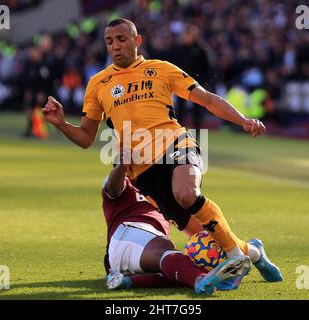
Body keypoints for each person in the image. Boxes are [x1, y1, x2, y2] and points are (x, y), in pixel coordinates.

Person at [42, 18, 281, 287]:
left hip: (175, 144)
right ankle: (255, 252)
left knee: (187, 194)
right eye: (110, 41)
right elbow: (86, 137)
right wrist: (62, 124)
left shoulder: (161, 70)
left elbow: (208, 99)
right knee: (201, 234)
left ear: (137, 40)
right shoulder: (98, 83)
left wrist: (244, 121)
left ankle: (235, 257)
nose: (115, 46)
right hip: (143, 171)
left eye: (122, 39)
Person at [101, 153, 251, 294]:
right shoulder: (125, 186)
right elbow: (113, 187)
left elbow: (204, 228)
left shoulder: (164, 192)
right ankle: (201, 279)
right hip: (127, 236)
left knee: (180, 270)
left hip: (143, 256)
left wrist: (246, 251)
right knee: (168, 253)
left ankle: (127, 281)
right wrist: (121, 165)